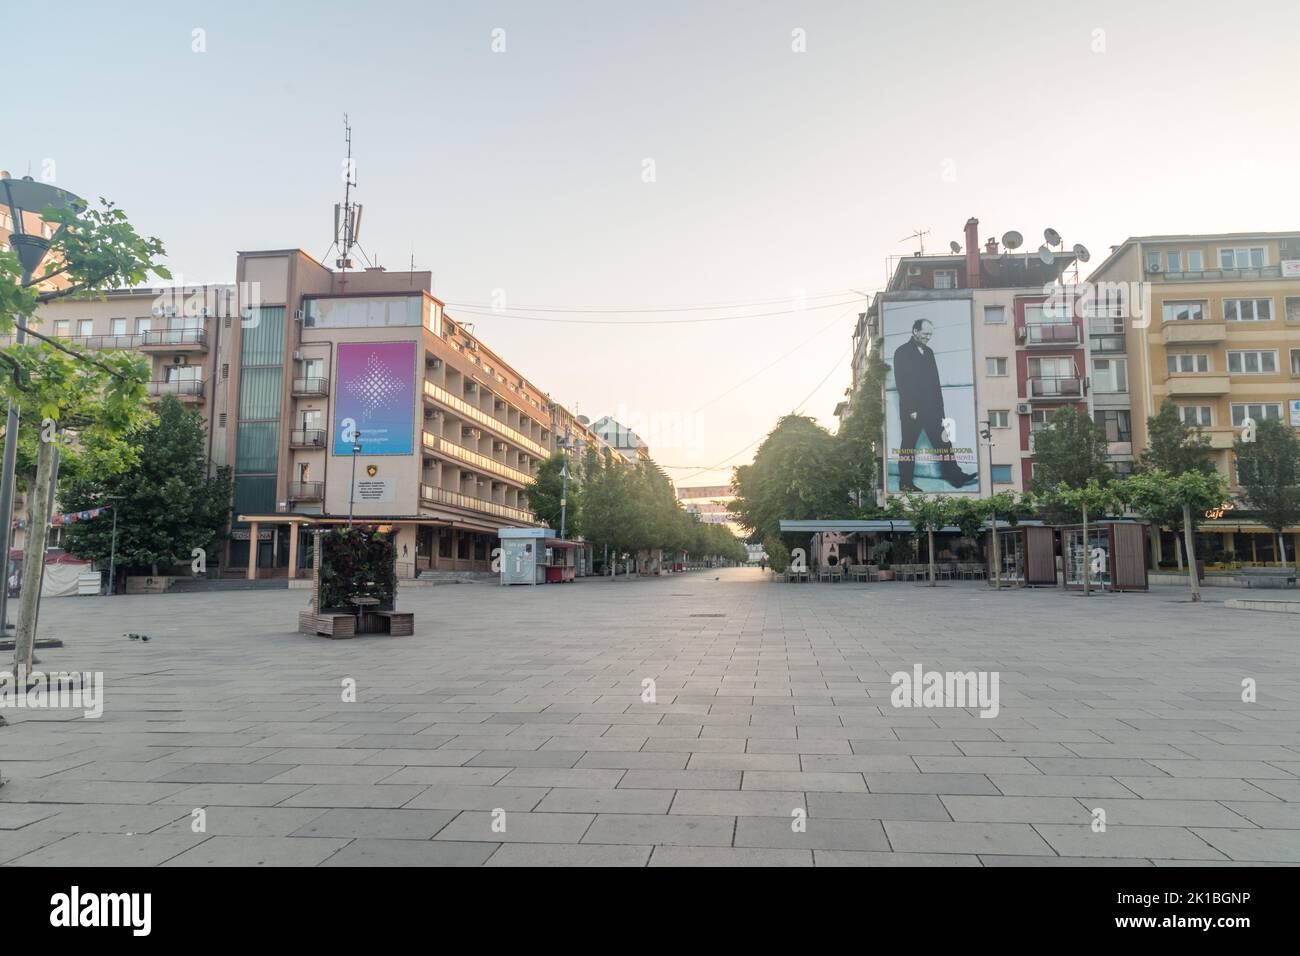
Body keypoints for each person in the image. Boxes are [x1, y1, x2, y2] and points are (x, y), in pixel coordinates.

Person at [892, 318, 979, 491]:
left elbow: (934, 382)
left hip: (933, 409)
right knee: (908, 447)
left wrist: (940, 409)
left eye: (930, 335)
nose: (927, 338)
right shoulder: (901, 352)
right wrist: (911, 409)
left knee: (944, 443)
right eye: (925, 334)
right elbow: (902, 382)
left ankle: (956, 477)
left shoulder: (929, 352)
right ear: (915, 331)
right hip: (913, 411)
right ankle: (905, 483)